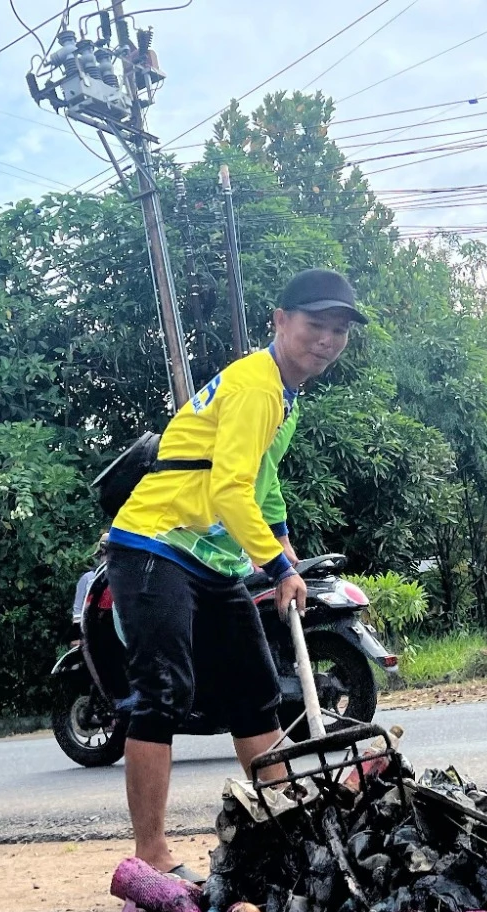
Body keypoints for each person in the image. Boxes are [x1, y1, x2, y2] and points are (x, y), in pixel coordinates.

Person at [106, 268, 361, 879]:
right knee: (163, 692)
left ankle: (287, 830)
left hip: (211, 557)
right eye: (315, 325)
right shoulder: (257, 388)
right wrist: (276, 567)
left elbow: (260, 477)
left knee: (254, 691)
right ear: (281, 321)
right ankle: (151, 857)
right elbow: (228, 488)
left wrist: (282, 542)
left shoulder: (284, 395)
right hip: (157, 543)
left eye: (338, 330)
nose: (326, 340)